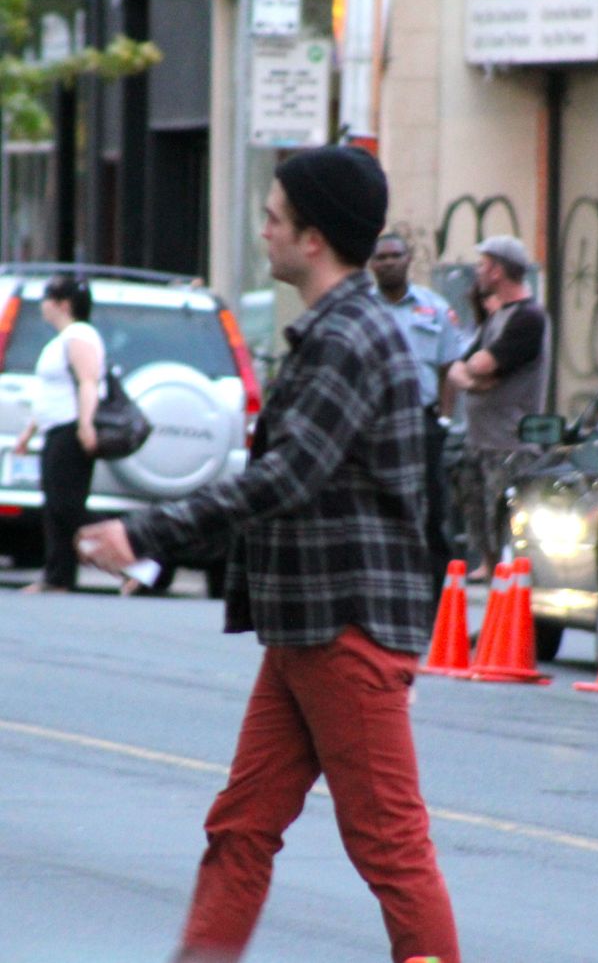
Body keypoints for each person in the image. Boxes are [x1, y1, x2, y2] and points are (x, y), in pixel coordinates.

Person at [76, 145, 460, 963]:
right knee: (242, 827)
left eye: (274, 217)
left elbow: (287, 477)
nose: (265, 231)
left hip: (346, 628)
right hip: (305, 628)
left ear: (313, 238)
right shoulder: (336, 331)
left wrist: (146, 533)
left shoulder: (349, 337)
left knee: (390, 848)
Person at [446, 235, 550, 583]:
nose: (477, 271)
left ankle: (509, 589)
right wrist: (474, 379)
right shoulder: (496, 317)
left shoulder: (528, 318)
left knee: (503, 524)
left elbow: (483, 365)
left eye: (482, 265)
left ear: (497, 271)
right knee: (476, 515)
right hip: (479, 441)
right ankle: (490, 577)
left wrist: (473, 373)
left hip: (509, 446)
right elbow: (458, 367)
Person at [370, 233, 462, 601]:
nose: (389, 262)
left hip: (423, 423)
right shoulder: (362, 310)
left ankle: (437, 604)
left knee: (432, 512)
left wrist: (444, 420)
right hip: (376, 424)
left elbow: (449, 367)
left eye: (395, 255)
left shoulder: (435, 308)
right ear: (371, 264)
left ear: (408, 259)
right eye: (381, 257)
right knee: (379, 510)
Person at [14, 275, 105, 593]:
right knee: (55, 506)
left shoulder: (80, 335)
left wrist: (86, 424)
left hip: (71, 428)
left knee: (68, 506)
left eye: (47, 299)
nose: (43, 305)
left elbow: (88, 382)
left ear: (63, 305)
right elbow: (50, 392)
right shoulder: (61, 339)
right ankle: (58, 576)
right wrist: (28, 432)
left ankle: (136, 547)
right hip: (54, 428)